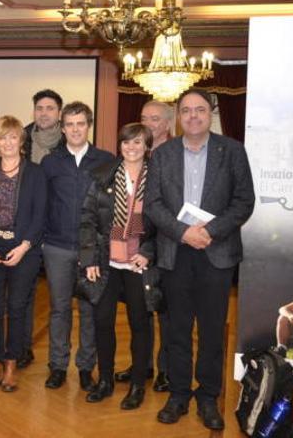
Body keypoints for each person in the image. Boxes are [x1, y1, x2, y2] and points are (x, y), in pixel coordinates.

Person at [146, 88, 255, 430]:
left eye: (200, 110)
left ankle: (208, 396)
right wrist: (183, 232)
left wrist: (212, 231)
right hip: (175, 253)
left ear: (211, 114)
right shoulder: (163, 154)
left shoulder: (233, 151)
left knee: (211, 331)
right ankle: (178, 394)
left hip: (216, 253)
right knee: (176, 329)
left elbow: (244, 201)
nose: (193, 116)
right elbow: (153, 205)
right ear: (178, 116)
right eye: (187, 111)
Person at [78, 123, 161, 409]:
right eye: (127, 142)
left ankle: (137, 384)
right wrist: (89, 259)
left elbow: (164, 223)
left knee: (140, 325)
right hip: (106, 261)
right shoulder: (104, 175)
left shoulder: (158, 179)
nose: (132, 147)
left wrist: (148, 252)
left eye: (138, 142)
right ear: (120, 145)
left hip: (139, 264)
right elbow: (87, 218)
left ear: (147, 146)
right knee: (102, 323)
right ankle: (105, 381)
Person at [40, 102, 115, 392]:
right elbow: (43, 203)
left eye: (80, 124)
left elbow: (109, 209)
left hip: (92, 251)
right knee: (59, 310)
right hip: (57, 247)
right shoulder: (50, 162)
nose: (74, 129)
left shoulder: (106, 160)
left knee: (89, 310)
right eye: (69, 124)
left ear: (89, 125)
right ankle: (58, 366)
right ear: (62, 127)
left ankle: (86, 367)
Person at [0, 116, 46, 393]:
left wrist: (25, 246)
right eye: (2, 137)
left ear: (21, 141)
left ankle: (11, 365)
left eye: (13, 137)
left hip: (23, 251)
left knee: (17, 308)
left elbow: (40, 215)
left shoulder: (36, 174)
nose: (7, 142)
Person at [114, 99, 175, 392]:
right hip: (133, 251)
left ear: (167, 123)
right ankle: (143, 366)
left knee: (163, 311)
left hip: (165, 249)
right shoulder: (134, 158)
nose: (148, 123)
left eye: (154, 119)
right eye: (144, 118)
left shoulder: (174, 155)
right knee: (139, 311)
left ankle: (165, 369)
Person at [19, 88, 65, 368]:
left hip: (58, 229)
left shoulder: (70, 140)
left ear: (59, 113)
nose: (44, 113)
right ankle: (22, 348)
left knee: (60, 300)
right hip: (26, 228)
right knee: (23, 294)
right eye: (40, 108)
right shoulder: (20, 138)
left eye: (50, 108)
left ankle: (58, 360)